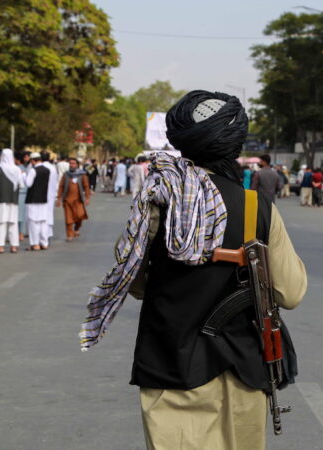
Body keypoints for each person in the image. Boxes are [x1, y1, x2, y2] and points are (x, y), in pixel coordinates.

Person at [80, 90, 307, 450]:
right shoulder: (255, 207)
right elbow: (290, 293)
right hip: (243, 373)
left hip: (172, 366)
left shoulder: (156, 200)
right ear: (234, 143)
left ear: (183, 142)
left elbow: (134, 283)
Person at [0, 149, 23, 254]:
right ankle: (14, 246)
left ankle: (0, 246)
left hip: (1, 199)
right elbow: (21, 184)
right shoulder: (17, 169)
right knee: (13, 223)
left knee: (0, 222)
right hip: (13, 200)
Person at [56, 157, 91, 242]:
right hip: (67, 200)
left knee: (80, 216)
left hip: (78, 200)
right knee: (68, 218)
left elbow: (86, 187)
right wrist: (59, 198)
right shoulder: (66, 175)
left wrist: (87, 198)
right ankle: (69, 235)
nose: (71, 165)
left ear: (77, 165)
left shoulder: (82, 175)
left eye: (73, 163)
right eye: (70, 163)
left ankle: (77, 228)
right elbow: (61, 186)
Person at [24, 152, 51, 251]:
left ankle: (35, 244)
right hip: (43, 199)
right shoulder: (47, 170)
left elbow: (28, 183)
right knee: (43, 222)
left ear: (32, 161)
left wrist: (23, 176)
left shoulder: (33, 170)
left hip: (33, 199)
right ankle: (44, 243)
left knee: (33, 222)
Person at [41, 152, 58, 242]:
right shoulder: (53, 168)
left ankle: (43, 235)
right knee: (49, 213)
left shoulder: (39, 168)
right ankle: (48, 233)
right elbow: (56, 182)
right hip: (51, 194)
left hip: (42, 194)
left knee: (42, 215)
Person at [17, 151, 30, 241]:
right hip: (19, 193)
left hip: (28, 193)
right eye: (25, 157)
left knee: (25, 215)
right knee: (19, 215)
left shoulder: (31, 168)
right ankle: (19, 233)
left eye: (28, 157)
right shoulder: (18, 168)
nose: (27, 159)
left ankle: (23, 233)